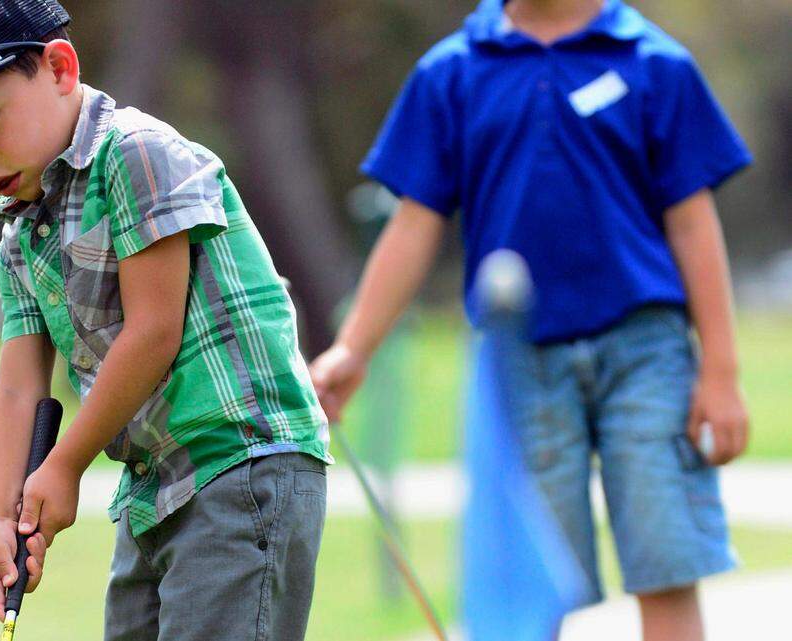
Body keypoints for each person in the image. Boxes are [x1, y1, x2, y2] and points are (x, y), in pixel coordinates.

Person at [0, 1, 332, 639]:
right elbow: (18, 389)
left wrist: (64, 465)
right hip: (153, 487)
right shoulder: (20, 236)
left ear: (58, 67)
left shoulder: (135, 154)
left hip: (242, 466)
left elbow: (152, 333)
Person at [309, 1, 750, 639]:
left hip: (646, 349)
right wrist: (354, 348)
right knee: (531, 575)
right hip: (519, 359)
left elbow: (691, 221)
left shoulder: (655, 62)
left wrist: (722, 372)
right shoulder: (453, 72)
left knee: (667, 563)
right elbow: (414, 223)